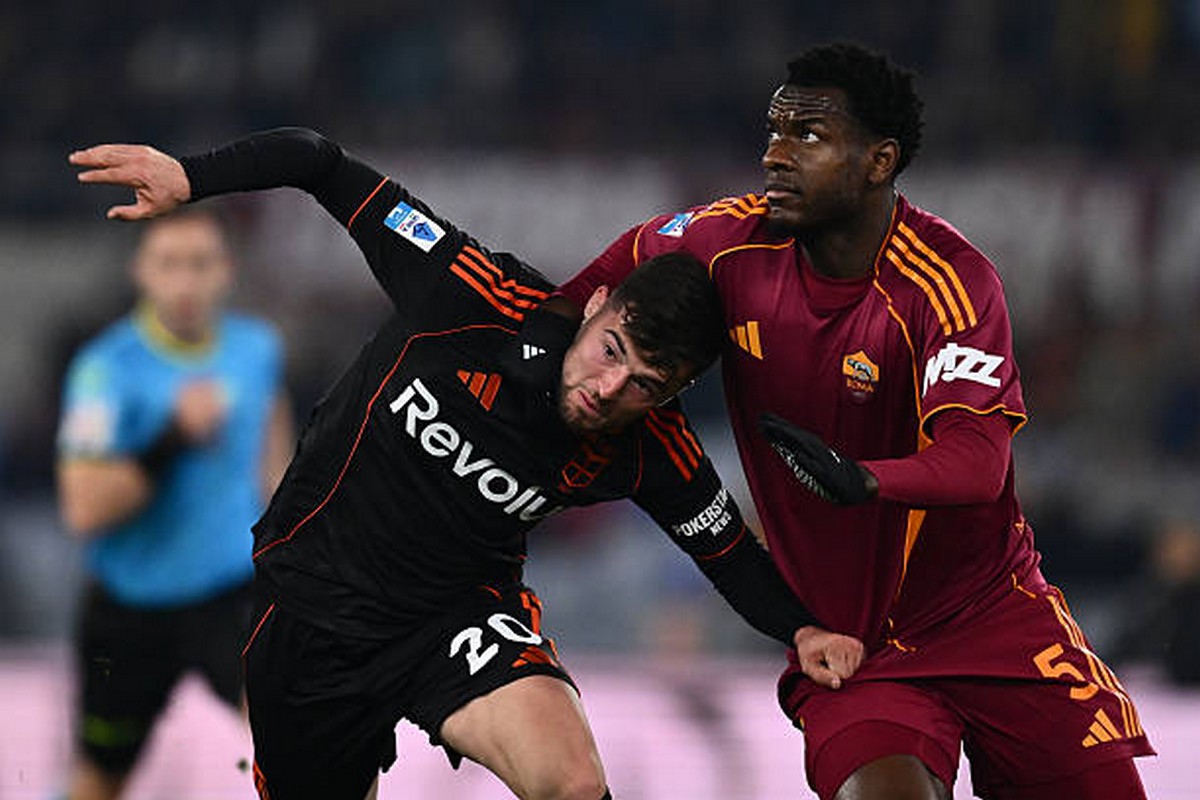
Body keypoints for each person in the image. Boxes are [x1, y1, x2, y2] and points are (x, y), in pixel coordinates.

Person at [69, 128, 864, 800]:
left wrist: (799, 629)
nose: (608, 389)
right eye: (611, 351)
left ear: (675, 391)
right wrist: (191, 177)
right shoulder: (467, 294)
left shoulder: (653, 445)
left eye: (645, 384)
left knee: (573, 782)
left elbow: (726, 552)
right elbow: (319, 162)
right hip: (310, 605)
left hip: (453, 619)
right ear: (596, 306)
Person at [558, 42, 1154, 800]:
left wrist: (864, 480)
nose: (775, 155)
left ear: (879, 161)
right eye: (775, 131)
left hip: (991, 619)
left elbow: (979, 461)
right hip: (850, 646)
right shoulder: (726, 242)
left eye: (807, 136)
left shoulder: (948, 282)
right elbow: (570, 301)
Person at [55, 208, 294, 800]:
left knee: (297, 745)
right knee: (101, 780)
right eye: (169, 264)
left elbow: (277, 463)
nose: (185, 282)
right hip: (130, 608)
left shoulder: (257, 350)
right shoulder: (104, 372)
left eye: (200, 264)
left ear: (226, 270)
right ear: (141, 271)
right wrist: (171, 439)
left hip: (231, 594)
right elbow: (83, 509)